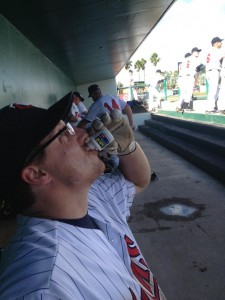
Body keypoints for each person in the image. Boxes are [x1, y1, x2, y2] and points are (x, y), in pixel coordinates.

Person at [0, 92, 166, 300]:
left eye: (68, 126)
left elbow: (139, 180)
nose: (82, 132)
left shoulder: (90, 194)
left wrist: (128, 147)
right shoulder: (44, 287)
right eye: (64, 135)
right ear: (36, 174)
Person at [205, 36, 224, 112]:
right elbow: (222, 57)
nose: (221, 43)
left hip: (210, 71)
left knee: (215, 90)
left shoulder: (210, 51)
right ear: (215, 43)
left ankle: (212, 107)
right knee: (213, 90)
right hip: (213, 71)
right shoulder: (215, 50)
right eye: (220, 42)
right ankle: (209, 108)